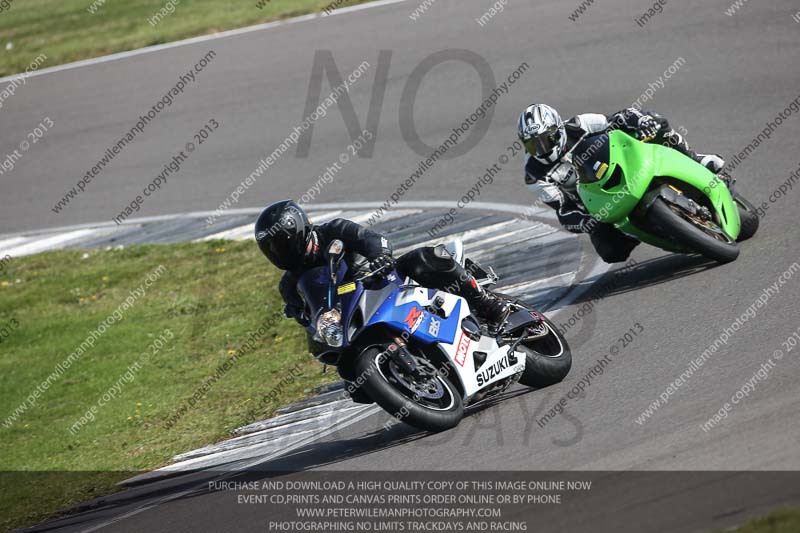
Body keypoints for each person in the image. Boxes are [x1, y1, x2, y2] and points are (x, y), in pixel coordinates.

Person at [517, 103, 733, 263]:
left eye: (546, 140)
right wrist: (586, 222)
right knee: (611, 252)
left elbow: (617, 119)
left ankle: (695, 160)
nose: (542, 149)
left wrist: (640, 121)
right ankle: (641, 231)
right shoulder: (535, 176)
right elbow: (564, 211)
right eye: (533, 145)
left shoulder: (578, 124)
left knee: (655, 122)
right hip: (598, 204)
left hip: (621, 166)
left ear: (558, 129)